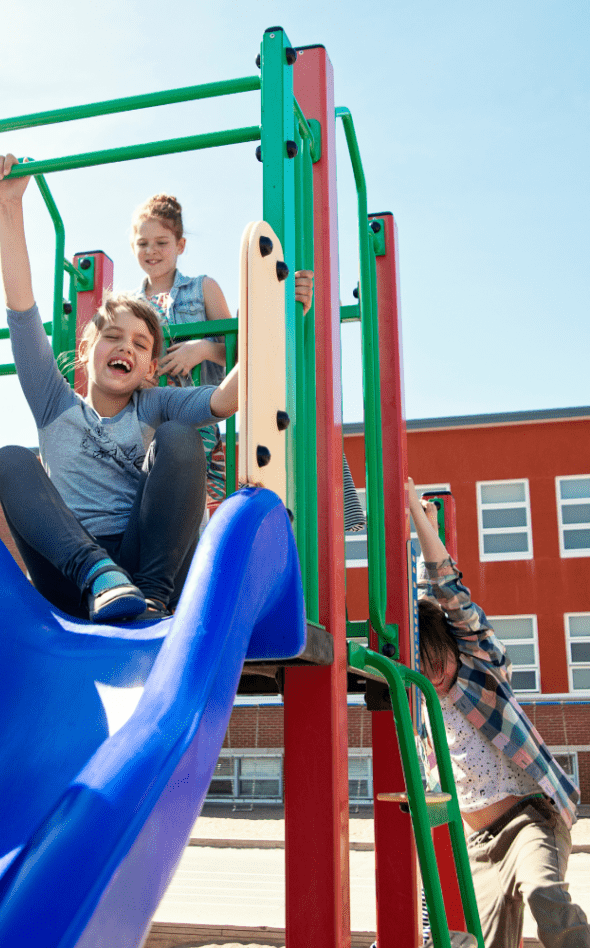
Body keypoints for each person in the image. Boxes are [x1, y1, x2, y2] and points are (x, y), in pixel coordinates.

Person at [0, 155, 248, 624]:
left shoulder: (154, 404)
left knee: (180, 437)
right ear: (87, 349)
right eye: (112, 335)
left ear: (150, 369)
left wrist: (277, 317)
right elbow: (21, 312)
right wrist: (9, 206)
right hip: (74, 575)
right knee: (9, 459)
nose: (124, 345)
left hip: (150, 564)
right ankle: (100, 575)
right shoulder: (54, 403)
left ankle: (149, 596)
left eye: (140, 343)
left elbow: (225, 399)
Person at [410, 478, 589, 948]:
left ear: (455, 649)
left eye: (440, 666)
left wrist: (419, 522)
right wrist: (417, 535)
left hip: (529, 820)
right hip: (477, 844)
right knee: (486, 942)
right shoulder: (421, 701)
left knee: (545, 894)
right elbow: (409, 608)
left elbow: (447, 593)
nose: (437, 679)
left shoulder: (477, 667)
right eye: (424, 673)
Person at [130, 192, 366, 530]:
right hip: (149, 418)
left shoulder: (202, 289)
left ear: (180, 245)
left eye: (161, 242)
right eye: (143, 243)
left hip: (200, 418)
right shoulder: (132, 303)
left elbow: (236, 351)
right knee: (149, 489)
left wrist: (200, 349)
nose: (151, 251)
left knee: (194, 494)